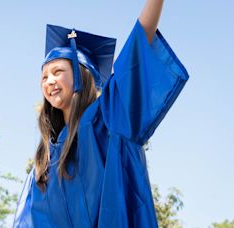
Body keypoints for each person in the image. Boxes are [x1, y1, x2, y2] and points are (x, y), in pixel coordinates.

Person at [13, 0, 189, 227]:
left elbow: (137, 48)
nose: (49, 81)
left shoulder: (107, 117)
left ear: (81, 75)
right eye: (44, 77)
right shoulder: (45, 162)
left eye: (58, 71)